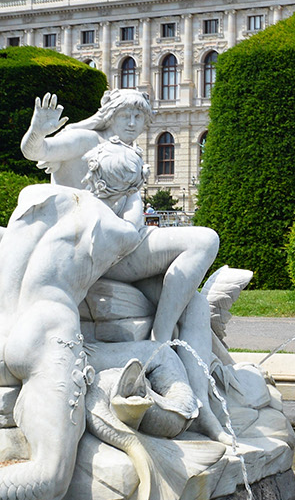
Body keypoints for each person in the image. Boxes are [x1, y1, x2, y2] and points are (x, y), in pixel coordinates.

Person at [21, 89, 229, 440]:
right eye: (125, 116)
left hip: (124, 248)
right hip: (91, 253)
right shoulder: (86, 139)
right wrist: (37, 131)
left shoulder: (128, 152)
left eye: (139, 118)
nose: (133, 124)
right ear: (109, 114)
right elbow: (37, 152)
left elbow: (133, 224)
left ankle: (204, 410)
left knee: (193, 304)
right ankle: (161, 341)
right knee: (205, 239)